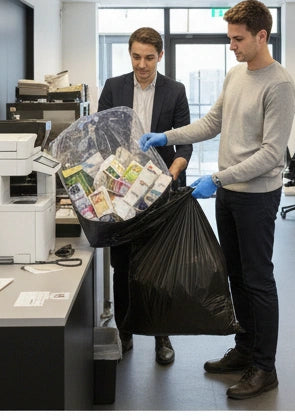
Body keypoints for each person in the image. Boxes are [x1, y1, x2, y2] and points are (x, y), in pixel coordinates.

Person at [139, 0, 295, 401]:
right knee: (236, 277)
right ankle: (245, 349)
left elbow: (271, 154)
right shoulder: (236, 75)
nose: (232, 46)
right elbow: (212, 122)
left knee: (258, 280)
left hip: (257, 197)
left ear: (262, 36)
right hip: (229, 193)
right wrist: (167, 136)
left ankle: (265, 368)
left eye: (238, 39)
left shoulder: (279, 85)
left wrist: (217, 177)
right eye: (230, 38)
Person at [97, 27, 192, 365]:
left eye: (149, 58)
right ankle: (124, 331)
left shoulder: (175, 91)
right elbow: (100, 137)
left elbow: (185, 144)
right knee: (122, 266)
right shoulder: (113, 87)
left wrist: (172, 174)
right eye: (136, 57)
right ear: (130, 54)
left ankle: (161, 336)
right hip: (120, 192)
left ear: (160, 56)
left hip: (160, 191)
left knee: (158, 266)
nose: (142, 64)